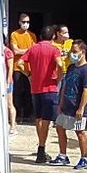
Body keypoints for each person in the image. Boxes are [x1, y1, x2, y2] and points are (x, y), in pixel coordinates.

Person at [22, 25, 65, 164]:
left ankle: (41, 147)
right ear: (53, 36)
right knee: (47, 120)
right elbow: (59, 64)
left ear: (40, 36)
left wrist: (29, 74)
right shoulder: (54, 49)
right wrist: (59, 77)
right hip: (49, 88)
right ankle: (41, 148)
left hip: (35, 88)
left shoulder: (33, 48)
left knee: (39, 118)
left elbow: (20, 62)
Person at [53, 44, 87, 169]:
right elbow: (64, 85)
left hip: (78, 107)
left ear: (82, 51)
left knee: (79, 132)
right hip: (66, 105)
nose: (72, 53)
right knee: (60, 128)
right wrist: (60, 103)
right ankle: (63, 155)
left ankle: (84, 158)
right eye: (72, 51)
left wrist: (81, 108)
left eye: (75, 51)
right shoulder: (71, 67)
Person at [10, 13, 36, 122]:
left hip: (29, 68)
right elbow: (15, 50)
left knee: (29, 91)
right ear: (19, 22)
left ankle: (27, 114)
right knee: (18, 92)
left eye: (28, 22)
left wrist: (23, 51)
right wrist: (28, 50)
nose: (26, 24)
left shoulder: (32, 35)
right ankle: (18, 115)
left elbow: (35, 50)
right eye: (24, 22)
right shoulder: (14, 34)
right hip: (17, 68)